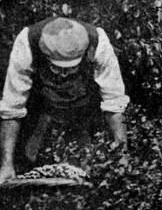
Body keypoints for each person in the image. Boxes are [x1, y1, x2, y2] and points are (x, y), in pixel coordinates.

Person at [1, 17, 129, 182]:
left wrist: (123, 156)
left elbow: (115, 104)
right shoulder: (26, 44)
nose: (63, 75)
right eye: (56, 67)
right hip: (42, 112)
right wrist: (6, 165)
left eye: (71, 67)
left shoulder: (98, 44)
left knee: (92, 173)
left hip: (86, 113)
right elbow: (12, 107)